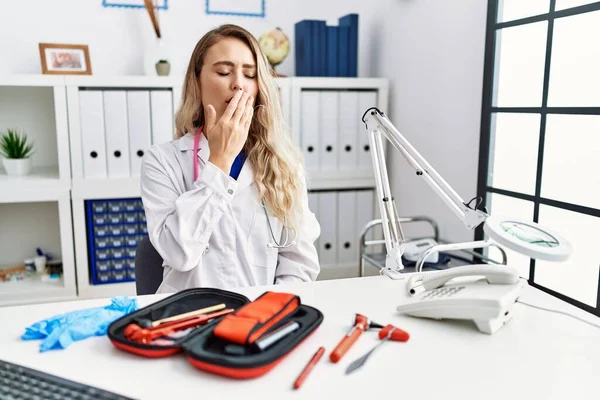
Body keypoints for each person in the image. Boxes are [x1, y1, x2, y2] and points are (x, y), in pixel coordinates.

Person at [140, 24, 321, 294]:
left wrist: (267, 312)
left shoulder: (284, 163)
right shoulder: (163, 161)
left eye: (249, 74)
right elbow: (179, 254)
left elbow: (300, 264)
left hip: (261, 319)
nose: (238, 83)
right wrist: (220, 160)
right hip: (187, 318)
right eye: (224, 72)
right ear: (197, 81)